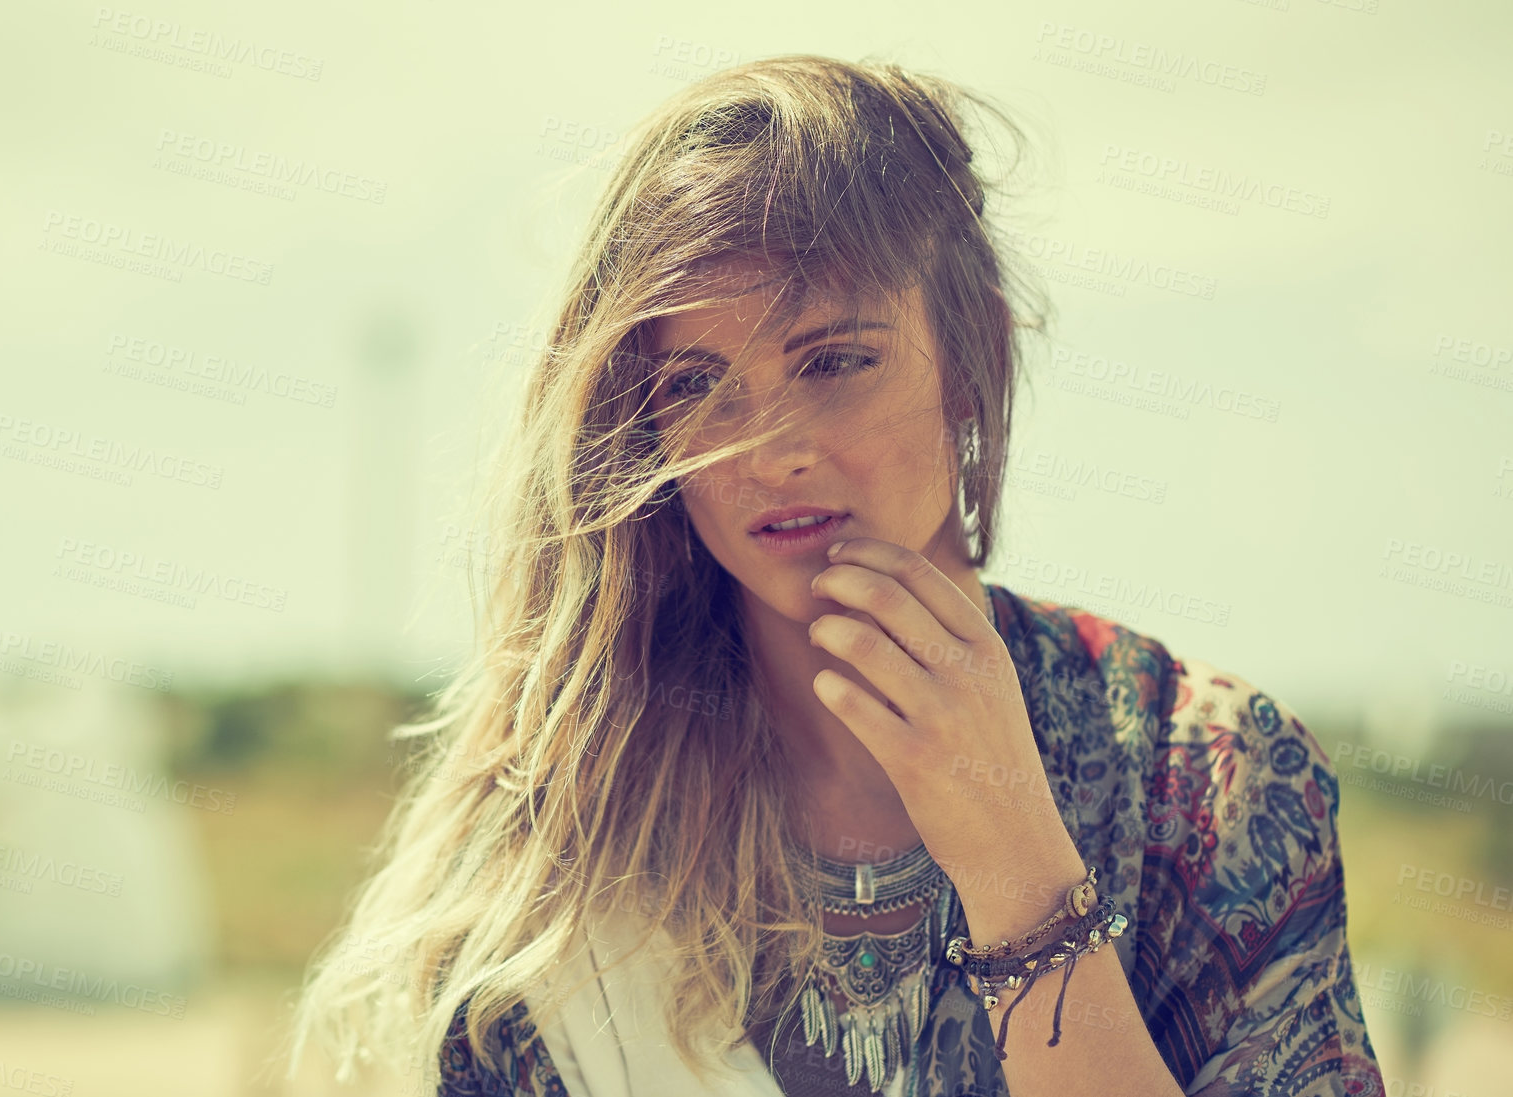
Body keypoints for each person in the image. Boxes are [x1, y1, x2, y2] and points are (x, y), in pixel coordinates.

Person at [284, 54, 1386, 1097]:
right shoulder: (551, 833)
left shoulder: (1213, 780)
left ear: (971, 357)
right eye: (697, 382)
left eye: (834, 361)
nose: (767, 450)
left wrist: (1017, 870)